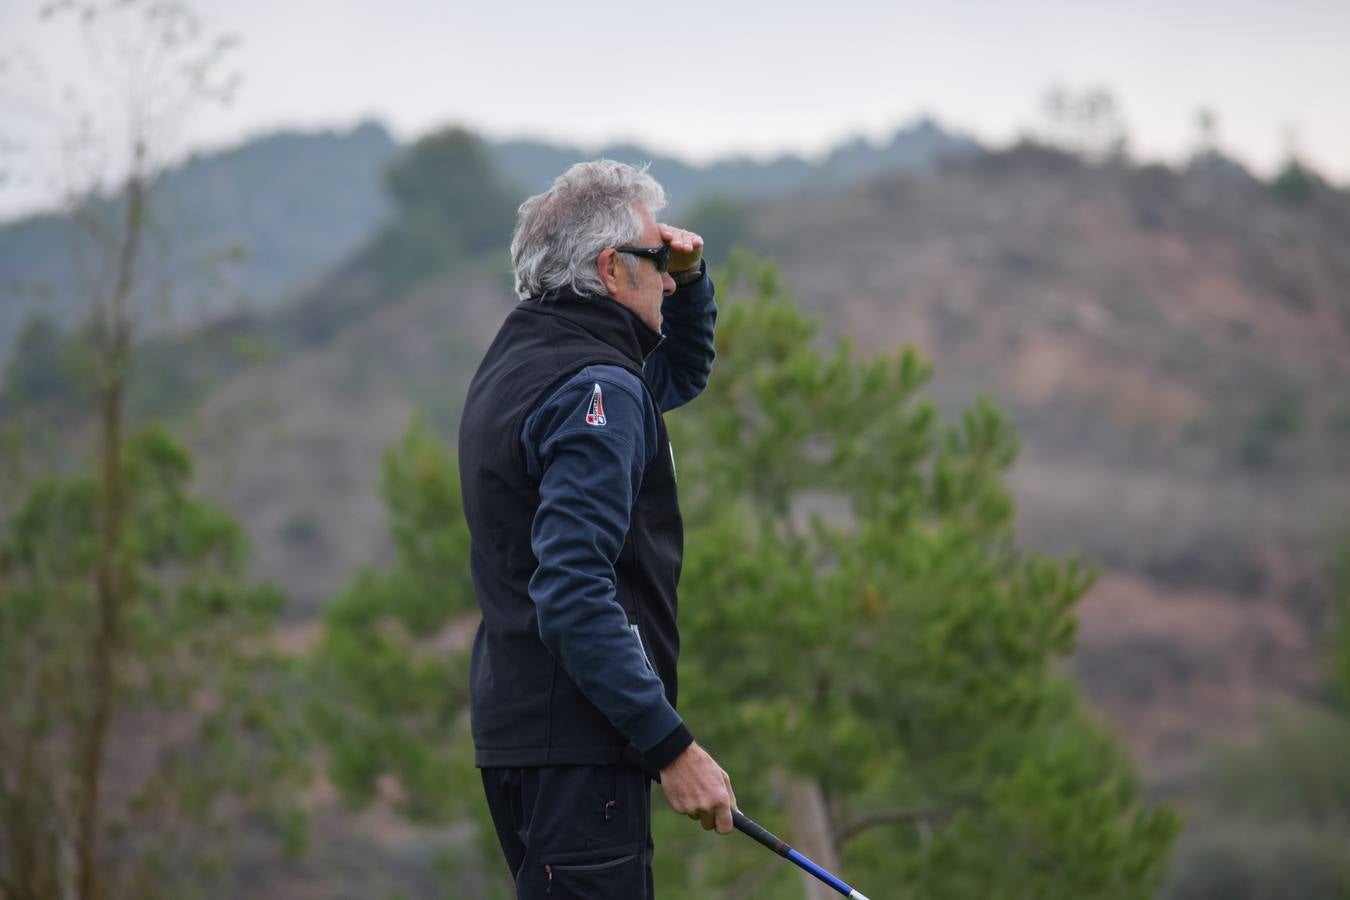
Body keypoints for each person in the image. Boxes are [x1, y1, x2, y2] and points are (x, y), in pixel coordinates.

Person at [457, 160, 736, 898]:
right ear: (612, 269)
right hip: (580, 748)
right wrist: (671, 745)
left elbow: (680, 369)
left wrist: (696, 276)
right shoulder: (599, 388)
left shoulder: (527, 360)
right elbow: (573, 591)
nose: (668, 279)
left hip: (527, 737)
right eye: (657, 261)